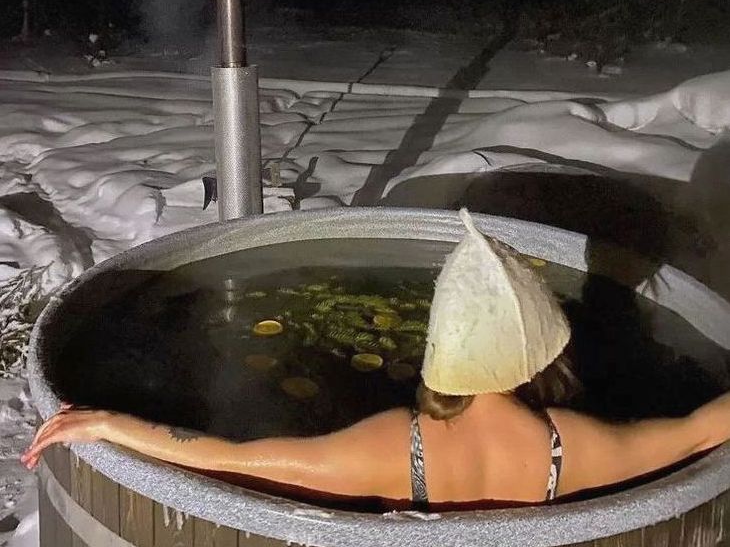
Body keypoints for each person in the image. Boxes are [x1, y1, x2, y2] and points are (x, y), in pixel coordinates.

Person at [23, 210, 730, 508]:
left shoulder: (393, 449)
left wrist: (111, 424)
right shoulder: (577, 448)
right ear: (537, 355)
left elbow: (234, 460)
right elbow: (700, 430)